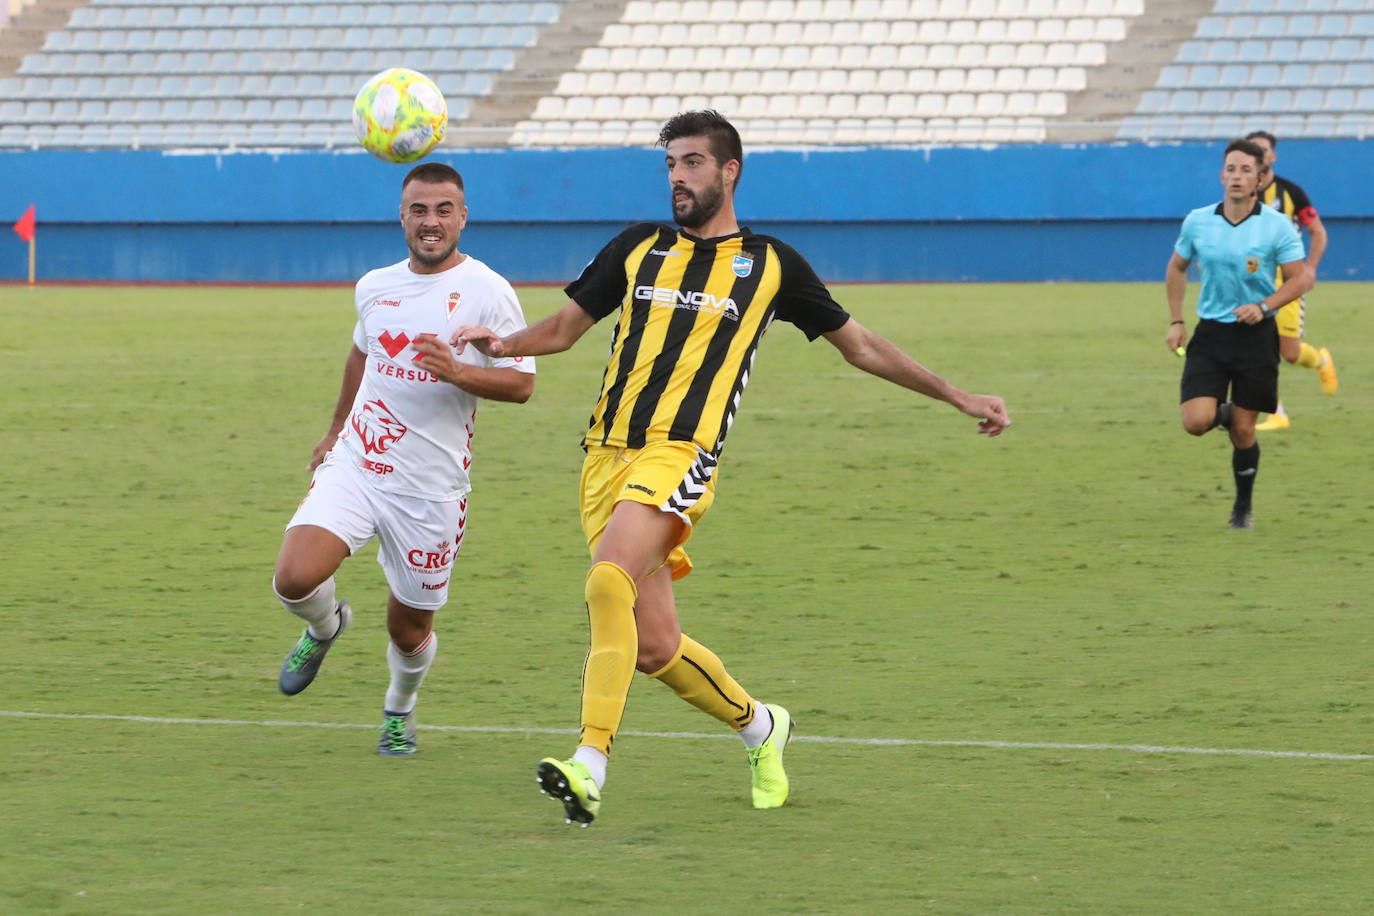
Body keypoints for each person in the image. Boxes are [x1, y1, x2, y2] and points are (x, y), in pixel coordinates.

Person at [453, 110, 1010, 825]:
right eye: (670, 166)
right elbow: (563, 329)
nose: (677, 178)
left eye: (690, 164)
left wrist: (957, 395)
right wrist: (499, 347)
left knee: (605, 581)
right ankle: (759, 726)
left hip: (681, 455)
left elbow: (861, 346)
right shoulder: (637, 247)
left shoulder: (772, 264)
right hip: (604, 459)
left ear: (729, 171)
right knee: (653, 648)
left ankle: (589, 762)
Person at [271, 161, 535, 755]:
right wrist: (336, 429)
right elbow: (362, 355)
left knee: (409, 629)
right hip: (360, 463)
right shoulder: (375, 286)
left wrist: (459, 371)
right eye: (419, 209)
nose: (431, 221)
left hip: (431, 490)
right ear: (402, 215)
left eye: (444, 209)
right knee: (293, 579)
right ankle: (325, 624)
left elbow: (521, 385)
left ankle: (400, 707)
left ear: (463, 216)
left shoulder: (490, 291)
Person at [1165, 138, 1312, 530]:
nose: (1237, 176)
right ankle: (1222, 411)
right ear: (1221, 174)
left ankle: (1242, 509)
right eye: (1231, 168)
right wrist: (1177, 321)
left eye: (1247, 170)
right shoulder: (1198, 220)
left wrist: (1264, 307)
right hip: (1211, 334)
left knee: (1245, 430)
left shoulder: (1277, 226)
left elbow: (1300, 280)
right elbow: (1177, 268)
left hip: (1256, 335)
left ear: (1261, 179)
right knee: (1196, 422)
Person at [1243, 130, 1338, 430]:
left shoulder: (1291, 193)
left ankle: (1321, 360)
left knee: (1290, 353)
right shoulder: (1241, 192)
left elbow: (1318, 232)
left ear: (1272, 156)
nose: (1259, 155)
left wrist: (1309, 268)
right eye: (1253, 150)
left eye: (1264, 150)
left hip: (1287, 284)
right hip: (1253, 283)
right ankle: (1277, 412)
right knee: (1256, 348)